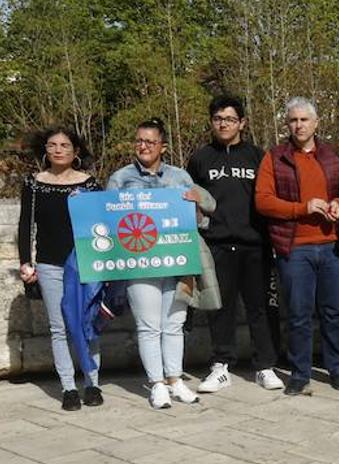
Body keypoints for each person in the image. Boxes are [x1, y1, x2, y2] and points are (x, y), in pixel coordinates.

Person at [106, 118, 216, 409]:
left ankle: (175, 380)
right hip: (139, 263)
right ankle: (156, 384)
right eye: (139, 141)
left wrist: (195, 204)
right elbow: (108, 220)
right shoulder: (120, 178)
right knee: (148, 325)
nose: (143, 146)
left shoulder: (180, 177)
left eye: (150, 142)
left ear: (162, 146)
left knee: (175, 324)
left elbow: (202, 217)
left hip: (177, 259)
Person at [186, 96, 284, 393]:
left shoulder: (258, 156)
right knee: (220, 308)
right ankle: (221, 365)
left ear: (242, 122)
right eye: (218, 118)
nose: (224, 123)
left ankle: (265, 365)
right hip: (216, 245)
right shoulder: (201, 158)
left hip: (256, 245)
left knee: (261, 308)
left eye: (230, 118)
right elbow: (191, 200)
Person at [255, 97, 339, 396]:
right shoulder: (275, 157)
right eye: (293, 120)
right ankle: (300, 373)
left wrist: (337, 204)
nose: (298, 125)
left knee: (333, 312)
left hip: (331, 245)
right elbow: (263, 201)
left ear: (316, 123)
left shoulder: (332, 157)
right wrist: (302, 207)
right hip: (294, 247)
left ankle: (338, 368)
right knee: (298, 314)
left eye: (304, 120)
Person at [17, 127, 103, 411]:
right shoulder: (34, 183)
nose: (58, 150)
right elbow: (25, 224)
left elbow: (101, 223)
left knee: (86, 322)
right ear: (45, 150)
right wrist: (25, 262)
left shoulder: (90, 184)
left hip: (85, 262)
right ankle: (68, 387)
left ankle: (92, 383)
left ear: (75, 151)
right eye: (52, 145)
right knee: (59, 327)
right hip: (50, 263)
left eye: (65, 145)